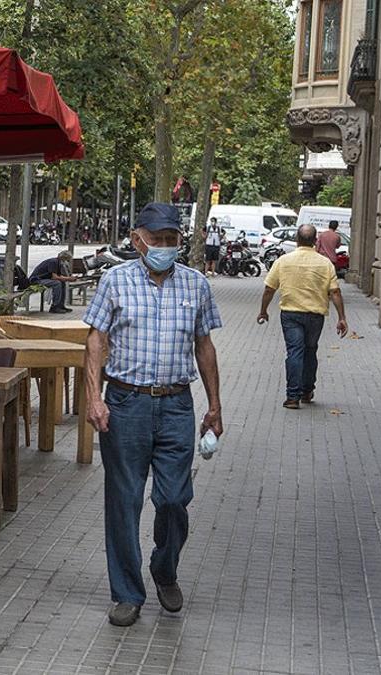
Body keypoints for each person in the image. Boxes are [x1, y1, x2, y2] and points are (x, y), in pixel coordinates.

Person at [83, 202, 223, 627]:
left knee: (175, 499)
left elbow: (205, 347)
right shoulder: (115, 281)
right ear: (137, 239)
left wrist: (215, 406)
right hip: (126, 404)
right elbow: (95, 341)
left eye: (172, 239)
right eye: (157, 239)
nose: (165, 246)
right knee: (124, 501)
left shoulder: (196, 285)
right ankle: (127, 593)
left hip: (178, 404)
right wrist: (94, 397)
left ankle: (165, 568)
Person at [258, 224, 348, 409]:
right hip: (315, 315)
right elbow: (335, 292)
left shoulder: (283, 261)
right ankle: (307, 391)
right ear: (315, 241)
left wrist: (263, 310)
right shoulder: (325, 264)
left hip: (291, 314)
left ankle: (292, 397)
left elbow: (269, 288)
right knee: (310, 350)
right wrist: (341, 317)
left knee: (294, 352)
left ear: (297, 240)